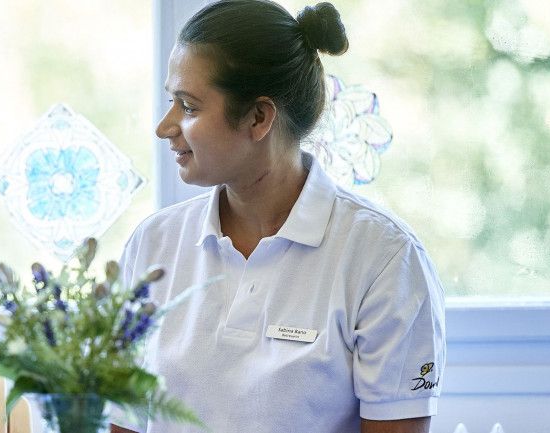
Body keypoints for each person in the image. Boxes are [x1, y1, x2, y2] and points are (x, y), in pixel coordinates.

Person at [113, 1, 445, 432]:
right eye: (170, 101)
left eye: (188, 107)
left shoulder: (384, 259)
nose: (164, 126)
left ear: (258, 117)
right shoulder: (153, 244)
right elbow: (124, 419)